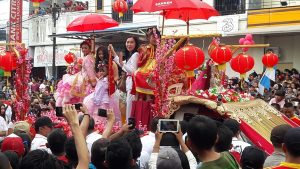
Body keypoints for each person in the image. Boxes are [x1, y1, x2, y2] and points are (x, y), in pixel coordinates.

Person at [131, 27, 161, 128]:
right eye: (151, 36)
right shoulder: (144, 48)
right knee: (137, 74)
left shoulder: (162, 48)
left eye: (155, 36)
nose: (153, 38)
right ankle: (141, 96)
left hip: (157, 68)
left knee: (153, 76)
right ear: (148, 37)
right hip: (146, 67)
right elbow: (140, 62)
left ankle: (150, 97)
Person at [83, 46, 120, 123]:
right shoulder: (98, 64)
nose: (101, 55)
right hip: (100, 89)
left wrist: (109, 81)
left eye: (102, 54)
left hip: (110, 90)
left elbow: (116, 77)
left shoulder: (112, 63)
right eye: (99, 54)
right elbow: (98, 76)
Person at [55, 39, 97, 107]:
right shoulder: (87, 57)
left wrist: (93, 83)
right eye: (82, 48)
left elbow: (90, 71)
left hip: (85, 78)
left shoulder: (88, 58)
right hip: (82, 77)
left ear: (89, 48)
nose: (83, 50)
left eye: (86, 48)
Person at [110, 36, 140, 121]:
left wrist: (122, 64)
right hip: (129, 84)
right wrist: (113, 52)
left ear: (136, 44)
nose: (129, 44)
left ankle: (129, 127)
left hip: (132, 84)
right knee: (128, 106)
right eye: (127, 42)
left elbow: (133, 71)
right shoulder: (131, 55)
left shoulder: (135, 55)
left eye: (131, 42)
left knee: (129, 108)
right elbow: (121, 63)